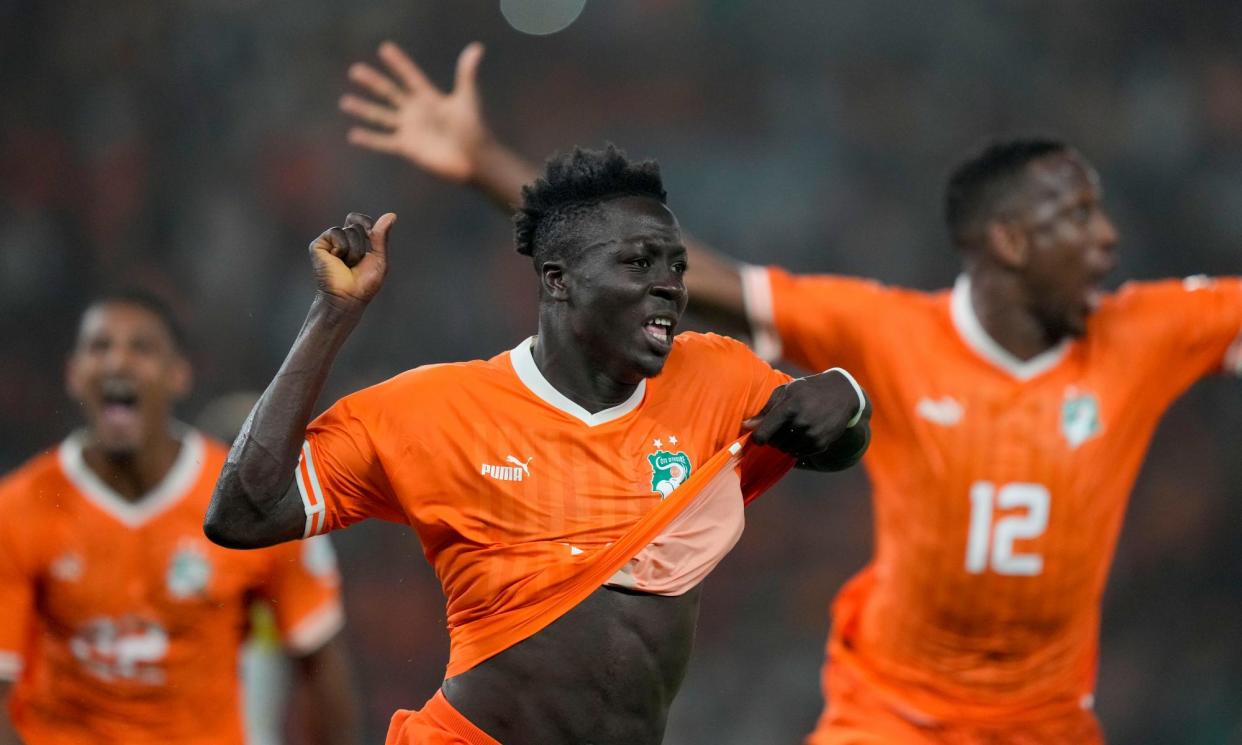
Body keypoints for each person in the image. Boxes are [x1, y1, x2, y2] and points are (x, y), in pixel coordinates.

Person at [339, 42, 1242, 744]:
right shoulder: (883, 330)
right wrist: (485, 162)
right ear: (1007, 241)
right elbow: (664, 274)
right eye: (1078, 217)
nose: (1109, 240)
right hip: (889, 712)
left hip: (1049, 716)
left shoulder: (1149, 331)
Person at [203, 145, 870, 745]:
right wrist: (332, 316)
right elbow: (241, 514)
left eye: (675, 266)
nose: (671, 284)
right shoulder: (433, 410)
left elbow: (830, 438)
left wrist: (847, 399)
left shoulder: (716, 377)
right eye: (640, 261)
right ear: (558, 280)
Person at [0, 292, 359, 745]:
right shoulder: (16, 508)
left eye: (141, 348)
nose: (118, 363)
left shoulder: (244, 502)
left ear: (179, 375)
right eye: (100, 347)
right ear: (73, 375)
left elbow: (320, 662)